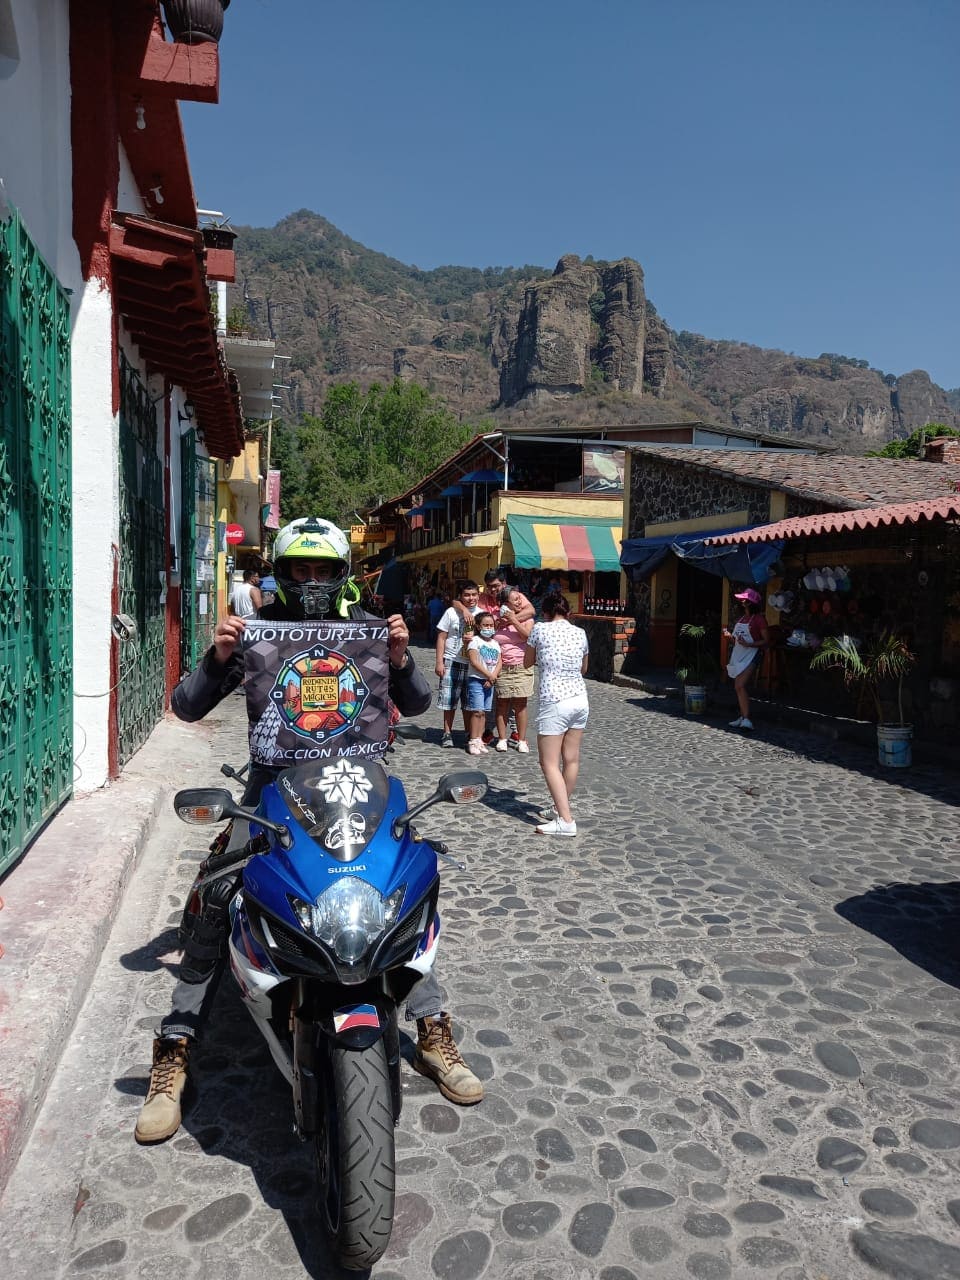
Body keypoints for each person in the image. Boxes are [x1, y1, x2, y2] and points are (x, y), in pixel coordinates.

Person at [135, 517, 483, 1146]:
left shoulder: (367, 633)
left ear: (343, 574)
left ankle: (431, 1025)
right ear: (282, 570)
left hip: (357, 787)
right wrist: (219, 657)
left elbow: (424, 702)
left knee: (402, 892)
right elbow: (186, 706)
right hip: (273, 792)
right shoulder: (256, 634)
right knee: (216, 896)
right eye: (302, 568)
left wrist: (401, 660)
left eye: (325, 570)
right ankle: (176, 1046)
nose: (314, 581)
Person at [524, 591, 589, 837]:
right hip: (579, 699)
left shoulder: (540, 629)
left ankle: (566, 820)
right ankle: (559, 808)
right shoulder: (580, 633)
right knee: (571, 758)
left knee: (548, 762)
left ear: (546, 613)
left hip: (554, 699)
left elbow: (526, 663)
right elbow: (584, 668)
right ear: (568, 613)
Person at [476, 568, 534, 744]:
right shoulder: (484, 599)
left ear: (504, 583)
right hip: (494, 657)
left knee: (517, 699)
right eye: (489, 587)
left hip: (518, 659)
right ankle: (490, 730)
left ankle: (516, 732)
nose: (492, 590)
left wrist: (507, 619)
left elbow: (530, 611)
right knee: (498, 698)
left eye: (495, 586)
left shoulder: (516, 596)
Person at [434, 580, 480, 748]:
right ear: (461, 597)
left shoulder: (481, 613)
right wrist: (439, 661)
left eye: (474, 594)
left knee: (469, 701)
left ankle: (469, 733)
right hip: (452, 659)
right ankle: (447, 733)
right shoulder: (451, 612)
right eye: (467, 595)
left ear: (478, 595)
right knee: (449, 700)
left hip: (473, 663)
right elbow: (441, 637)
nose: (470, 598)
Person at [494, 587, 535, 752]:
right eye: (515, 599)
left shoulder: (527, 618)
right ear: (505, 604)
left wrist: (513, 620)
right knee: (502, 703)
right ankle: (502, 738)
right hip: (502, 666)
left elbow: (527, 636)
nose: (520, 601)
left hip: (522, 666)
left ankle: (522, 740)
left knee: (520, 704)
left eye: (520, 598)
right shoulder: (497, 619)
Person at [724, 587, 769, 730]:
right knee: (737, 686)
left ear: (751, 603)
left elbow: (766, 640)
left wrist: (750, 644)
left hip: (752, 655)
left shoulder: (760, 620)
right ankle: (743, 716)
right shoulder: (743, 618)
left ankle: (747, 719)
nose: (742, 603)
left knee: (740, 685)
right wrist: (730, 637)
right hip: (740, 654)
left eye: (745, 601)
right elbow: (737, 640)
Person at [464, 612, 502, 755]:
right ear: (479, 627)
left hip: (490, 681)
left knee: (484, 712)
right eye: (485, 625)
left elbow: (499, 661)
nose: (489, 627)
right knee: (477, 711)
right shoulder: (475, 641)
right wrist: (488, 675)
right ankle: (473, 739)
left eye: (491, 625)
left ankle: (479, 739)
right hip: (477, 679)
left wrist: (493, 677)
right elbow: (474, 661)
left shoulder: (495, 643)